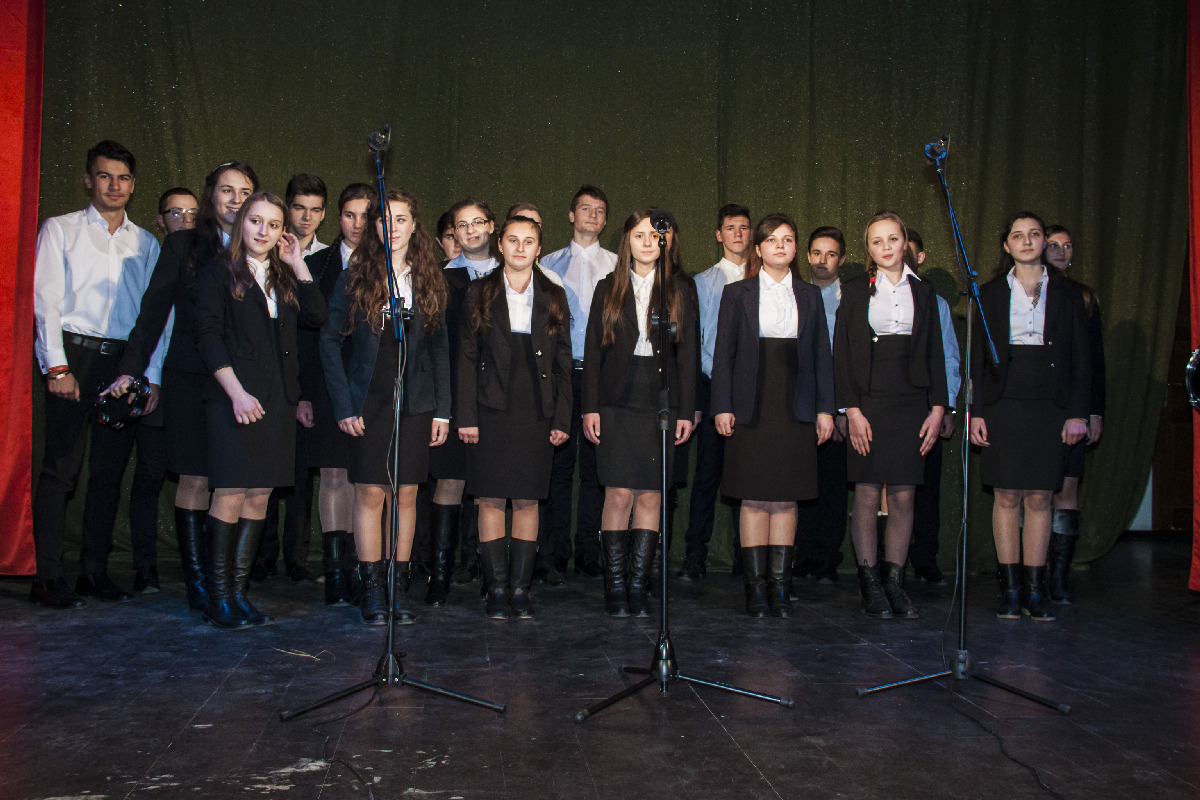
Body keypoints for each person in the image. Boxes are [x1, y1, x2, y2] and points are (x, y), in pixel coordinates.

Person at [109, 161, 258, 612]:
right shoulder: (183, 244)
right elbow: (151, 315)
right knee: (195, 476)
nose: (235, 198)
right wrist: (130, 371)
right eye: (226, 190)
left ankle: (231, 586)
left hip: (244, 383)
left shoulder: (262, 245)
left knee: (238, 483)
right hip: (191, 380)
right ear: (211, 195)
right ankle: (198, 582)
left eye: (244, 191)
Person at [31, 140, 163, 608]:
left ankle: (93, 571)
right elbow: (45, 301)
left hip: (123, 365)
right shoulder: (61, 230)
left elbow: (153, 318)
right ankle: (47, 575)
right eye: (105, 176)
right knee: (61, 470)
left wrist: (149, 376)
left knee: (108, 474)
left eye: (123, 178)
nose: (114, 186)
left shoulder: (145, 242)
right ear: (89, 180)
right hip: (74, 358)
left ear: (133, 184)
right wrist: (57, 366)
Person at [193, 192, 327, 629]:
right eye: (256, 221)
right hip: (235, 400)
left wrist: (297, 262)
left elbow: (318, 314)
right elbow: (208, 337)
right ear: (240, 223)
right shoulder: (218, 270)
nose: (263, 231)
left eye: (273, 225)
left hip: (277, 400)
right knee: (231, 492)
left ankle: (238, 592)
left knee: (260, 494)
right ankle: (217, 597)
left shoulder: (283, 275)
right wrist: (235, 393)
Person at [320, 188, 449, 625]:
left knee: (407, 493)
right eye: (384, 219)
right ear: (374, 226)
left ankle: (398, 588)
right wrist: (343, 404)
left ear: (415, 225)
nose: (391, 227)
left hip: (415, 398)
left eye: (401, 219)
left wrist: (443, 410)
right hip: (367, 398)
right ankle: (371, 589)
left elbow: (440, 349)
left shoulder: (430, 277)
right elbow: (329, 342)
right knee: (371, 491)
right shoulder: (354, 276)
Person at [711, 213, 834, 617]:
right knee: (753, 497)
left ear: (795, 248)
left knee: (785, 499)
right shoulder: (737, 293)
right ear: (759, 248)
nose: (781, 245)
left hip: (795, 404)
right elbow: (724, 357)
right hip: (751, 404)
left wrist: (824, 410)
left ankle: (780, 587)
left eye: (788, 239)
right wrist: (723, 405)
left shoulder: (810, 296)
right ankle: (755, 589)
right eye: (772, 240)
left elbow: (821, 358)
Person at [969, 212, 1090, 622]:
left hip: (1050, 403)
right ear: (1006, 246)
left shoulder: (1069, 294)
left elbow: (1081, 359)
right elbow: (977, 364)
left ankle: (1036, 591)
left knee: (1040, 497)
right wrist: (976, 413)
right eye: (1017, 236)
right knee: (1006, 496)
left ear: (1044, 242)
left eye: (1034, 235)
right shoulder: (987, 294)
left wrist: (1078, 414)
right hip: (1004, 402)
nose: (1027, 241)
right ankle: (1011, 589)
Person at [583, 208, 697, 617]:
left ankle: (638, 583)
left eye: (654, 236)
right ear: (626, 241)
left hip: (660, 399)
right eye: (638, 235)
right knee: (617, 493)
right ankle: (614, 586)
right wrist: (590, 407)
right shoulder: (606, 288)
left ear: (668, 242)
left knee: (651, 493)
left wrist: (686, 409)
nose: (647, 242)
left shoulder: (681, 289)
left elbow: (689, 355)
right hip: (617, 399)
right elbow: (593, 354)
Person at [833, 211, 948, 620]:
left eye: (893, 239)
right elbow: (842, 356)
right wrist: (853, 410)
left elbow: (935, 353)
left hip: (911, 402)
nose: (886, 247)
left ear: (905, 244)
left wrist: (938, 408)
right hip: (870, 401)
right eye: (877, 241)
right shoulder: (853, 291)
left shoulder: (926, 292)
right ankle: (869, 584)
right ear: (869, 249)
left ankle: (895, 583)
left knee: (903, 495)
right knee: (866, 492)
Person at [457, 215, 572, 618]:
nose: (520, 248)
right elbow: (467, 358)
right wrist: (466, 416)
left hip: (537, 409)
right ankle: (496, 589)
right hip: (489, 410)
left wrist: (561, 418)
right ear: (500, 245)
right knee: (489, 497)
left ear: (539, 248)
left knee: (527, 499)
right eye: (512, 240)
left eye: (529, 241)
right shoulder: (479, 292)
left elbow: (562, 364)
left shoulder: (555, 295)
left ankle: (521, 590)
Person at [297, 183, 374, 606]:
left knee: (365, 480)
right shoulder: (315, 264)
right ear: (336, 217)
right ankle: (335, 573)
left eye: (366, 216)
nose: (358, 224)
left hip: (370, 387)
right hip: (325, 384)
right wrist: (303, 393)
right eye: (350, 215)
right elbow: (304, 336)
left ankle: (364, 571)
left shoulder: (390, 266)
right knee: (332, 476)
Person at [540, 186, 617, 583]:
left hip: (602, 375)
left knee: (595, 467)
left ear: (606, 220)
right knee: (557, 464)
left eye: (599, 210)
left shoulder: (619, 266)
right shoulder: (547, 263)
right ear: (571, 215)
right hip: (560, 374)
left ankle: (590, 548)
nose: (592, 215)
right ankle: (552, 552)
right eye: (585, 208)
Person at [428, 199, 497, 599]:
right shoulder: (439, 279)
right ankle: (439, 575)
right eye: (461, 226)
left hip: (498, 399)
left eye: (477, 222)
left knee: (491, 487)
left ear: (492, 226)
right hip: (454, 395)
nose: (470, 231)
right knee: (450, 481)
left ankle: (492, 576)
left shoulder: (513, 276)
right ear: (451, 234)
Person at [678, 204, 751, 581]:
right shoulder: (702, 282)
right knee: (707, 475)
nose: (738, 233)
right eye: (730, 228)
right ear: (718, 235)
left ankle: (747, 558)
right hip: (711, 387)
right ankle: (695, 556)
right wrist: (697, 399)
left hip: (752, 392)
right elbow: (695, 343)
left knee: (749, 478)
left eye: (743, 227)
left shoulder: (766, 280)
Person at [1044, 224, 1105, 604]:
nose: (1062, 252)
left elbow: (1094, 360)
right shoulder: (1024, 291)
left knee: (1066, 490)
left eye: (1069, 246)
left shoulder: (1083, 297)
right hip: (1032, 409)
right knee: (1029, 492)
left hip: (1073, 409)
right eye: (1054, 245)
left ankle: (1059, 577)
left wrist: (1093, 411)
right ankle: (1024, 575)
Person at [905, 229, 963, 585]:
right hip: (885, 408)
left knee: (926, 489)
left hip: (927, 409)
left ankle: (925, 558)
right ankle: (883, 563)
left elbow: (949, 358)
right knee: (884, 491)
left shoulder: (936, 302)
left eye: (908, 249)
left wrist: (948, 407)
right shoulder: (868, 295)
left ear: (920, 256)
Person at [795, 226, 849, 585]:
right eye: (816, 253)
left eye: (830, 254)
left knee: (833, 487)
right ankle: (800, 557)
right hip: (800, 407)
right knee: (799, 485)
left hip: (838, 409)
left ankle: (828, 559)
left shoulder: (855, 299)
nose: (822, 261)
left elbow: (850, 360)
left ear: (842, 259)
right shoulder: (795, 295)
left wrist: (842, 409)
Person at [286, 173, 329, 257]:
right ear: (286, 209)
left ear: (323, 214)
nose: (307, 217)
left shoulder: (331, 258)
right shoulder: (268, 250)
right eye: (300, 208)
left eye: (315, 210)